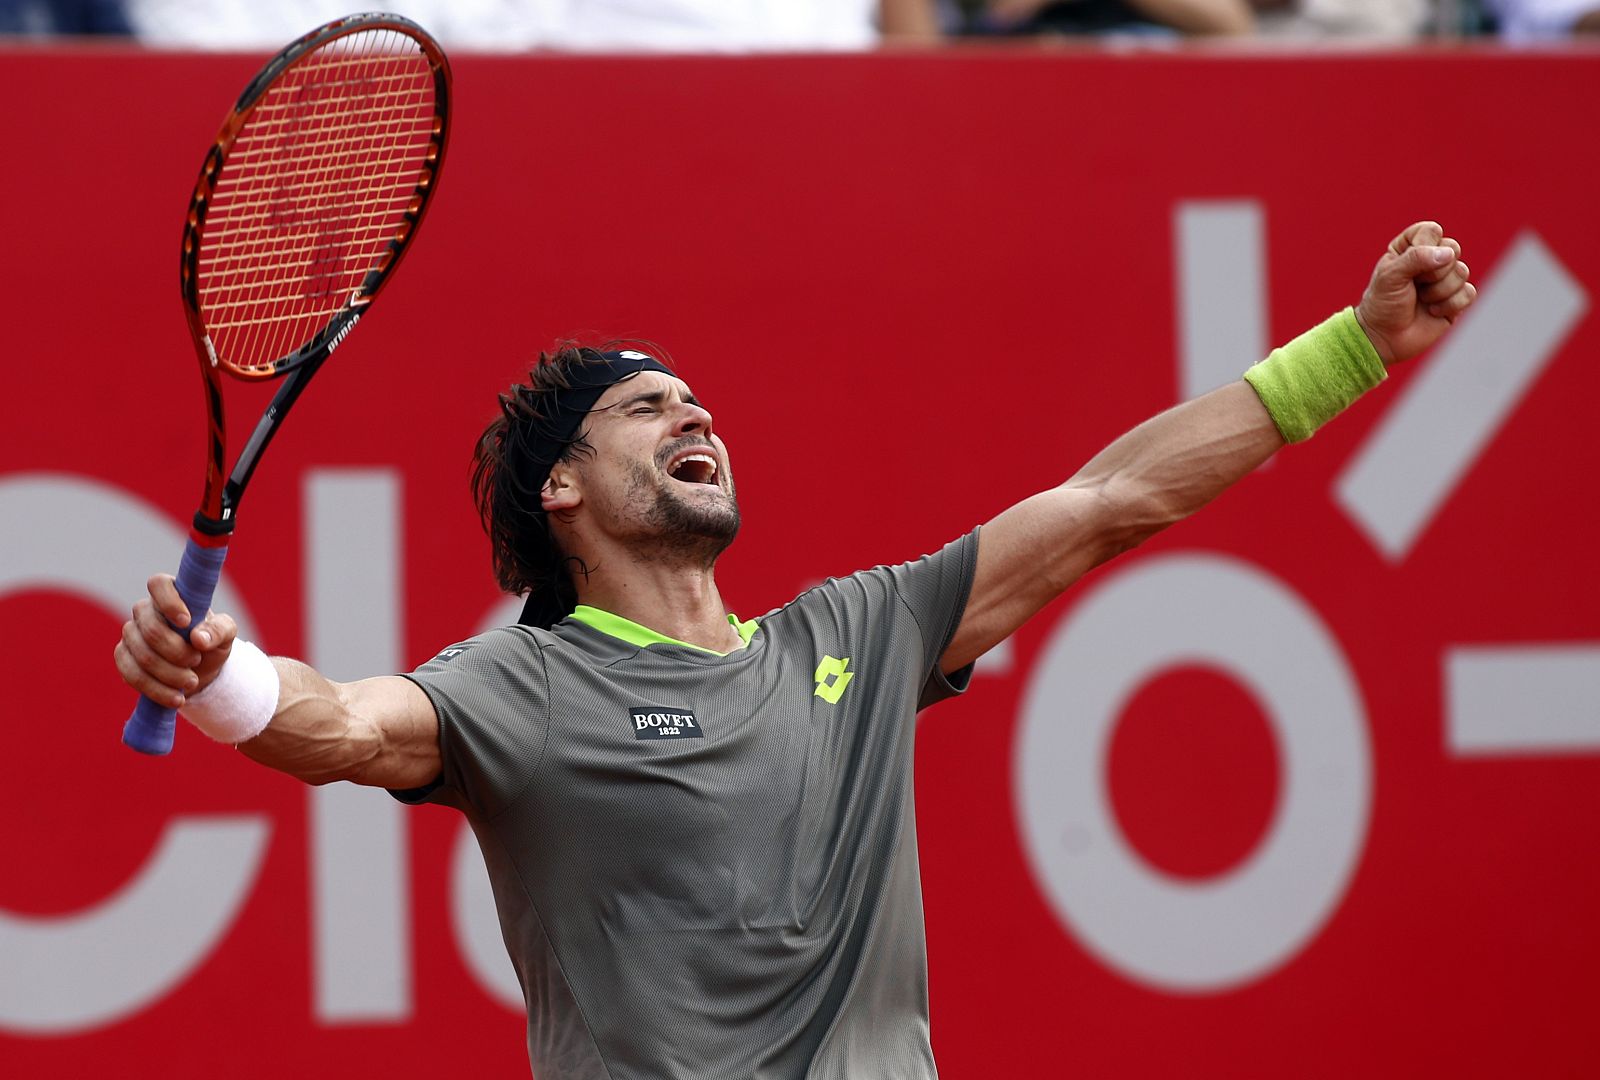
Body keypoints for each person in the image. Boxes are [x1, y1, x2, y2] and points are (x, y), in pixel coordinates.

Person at [116, 220, 1476, 1079]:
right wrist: (226, 679)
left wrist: (1354, 349)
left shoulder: (856, 635)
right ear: (564, 492)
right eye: (645, 410)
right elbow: (345, 726)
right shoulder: (527, 686)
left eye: (696, 402)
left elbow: (1118, 500)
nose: (690, 415)